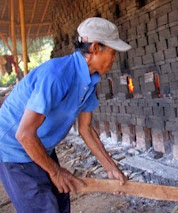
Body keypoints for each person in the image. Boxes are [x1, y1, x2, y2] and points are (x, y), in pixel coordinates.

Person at [0, 17, 131, 213]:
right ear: (95, 48)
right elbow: (24, 134)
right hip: (14, 150)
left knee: (61, 201)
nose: (114, 59)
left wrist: (111, 168)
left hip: (40, 146)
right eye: (112, 53)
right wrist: (55, 171)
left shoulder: (89, 81)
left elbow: (85, 129)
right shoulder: (56, 75)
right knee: (43, 208)